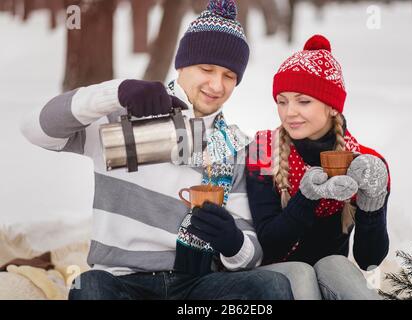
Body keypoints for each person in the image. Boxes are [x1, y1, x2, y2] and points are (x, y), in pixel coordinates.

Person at [20, 0, 293, 300]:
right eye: (206, 69)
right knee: (90, 288)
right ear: (182, 64)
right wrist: (116, 92)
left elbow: (252, 253)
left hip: (195, 288)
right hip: (122, 281)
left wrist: (233, 243)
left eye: (229, 76)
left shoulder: (235, 147)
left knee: (271, 288)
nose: (217, 85)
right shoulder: (127, 116)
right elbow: (35, 129)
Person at [246, 34, 391, 300]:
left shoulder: (365, 161)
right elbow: (269, 243)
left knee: (337, 264)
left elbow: (369, 260)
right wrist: (308, 196)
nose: (289, 112)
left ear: (332, 107)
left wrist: (373, 203)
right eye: (282, 101)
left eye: (303, 101)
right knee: (301, 272)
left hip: (329, 274)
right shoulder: (263, 149)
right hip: (272, 277)